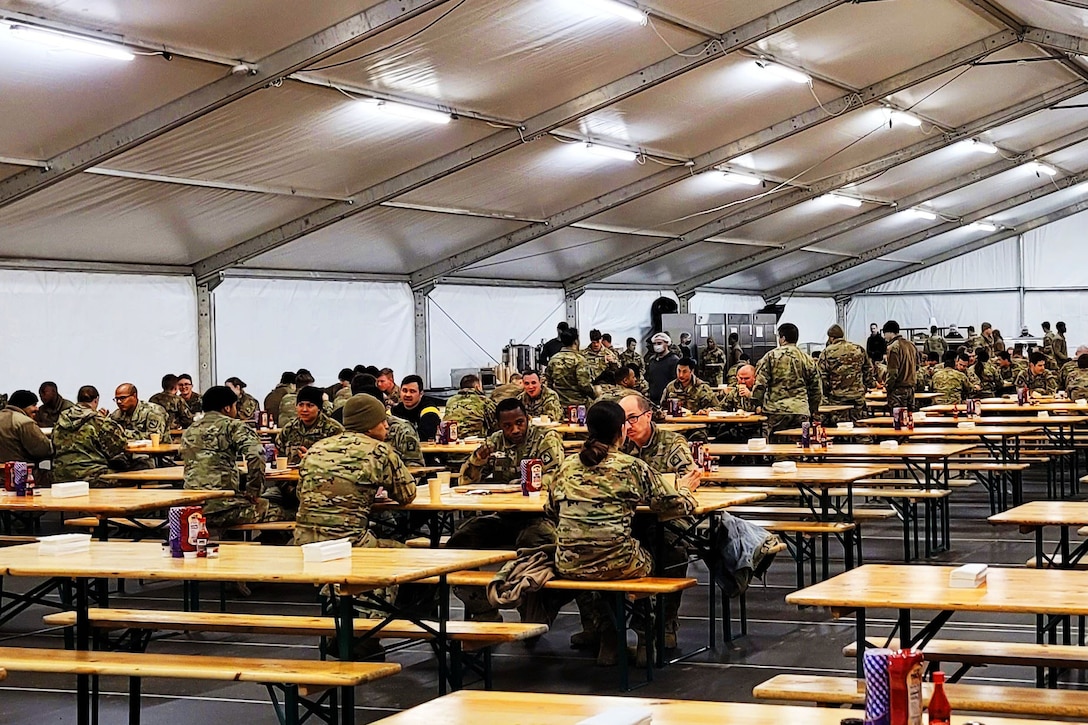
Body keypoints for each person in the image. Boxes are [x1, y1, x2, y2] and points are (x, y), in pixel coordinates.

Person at [548, 400, 697, 667]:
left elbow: (550, 510)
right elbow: (674, 506)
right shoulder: (630, 466)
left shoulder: (567, 465)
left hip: (569, 563)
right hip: (618, 561)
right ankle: (646, 635)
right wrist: (685, 488)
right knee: (652, 552)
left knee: (600, 555)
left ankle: (609, 635)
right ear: (622, 431)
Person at [294, 394, 417, 653]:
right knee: (402, 558)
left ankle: (338, 628)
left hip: (306, 542)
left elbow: (300, 494)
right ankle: (366, 635)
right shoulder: (380, 451)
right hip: (347, 544)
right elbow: (407, 495)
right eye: (382, 421)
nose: (386, 426)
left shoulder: (317, 448)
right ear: (370, 425)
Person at [448, 398, 566, 621]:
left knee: (535, 545)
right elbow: (465, 481)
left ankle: (534, 614)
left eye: (520, 423)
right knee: (460, 540)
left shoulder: (545, 439)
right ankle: (483, 608)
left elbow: (559, 477)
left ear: (528, 419)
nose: (515, 430)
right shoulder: (494, 442)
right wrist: (478, 461)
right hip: (504, 516)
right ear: (499, 426)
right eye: (507, 426)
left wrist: (529, 483)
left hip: (539, 516)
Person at [619, 394, 702, 650]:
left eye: (632, 418)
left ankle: (665, 624)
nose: (628, 426)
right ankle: (608, 631)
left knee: (669, 548)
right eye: (623, 421)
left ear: (648, 416)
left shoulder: (672, 443)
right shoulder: (620, 445)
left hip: (669, 518)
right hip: (631, 521)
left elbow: (687, 481)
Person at [181, 385, 272, 537]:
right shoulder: (232, 426)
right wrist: (253, 490)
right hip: (223, 509)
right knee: (280, 509)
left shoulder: (190, 430)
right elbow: (256, 455)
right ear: (227, 408)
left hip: (192, 508)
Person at [52, 385, 134, 487]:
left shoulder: (61, 419)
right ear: (96, 400)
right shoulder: (98, 420)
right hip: (92, 476)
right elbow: (118, 446)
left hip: (60, 476)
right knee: (134, 475)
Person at [751, 323, 822, 438]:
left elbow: (760, 383)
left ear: (783, 338)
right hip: (800, 410)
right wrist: (812, 409)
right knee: (800, 446)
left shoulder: (770, 356)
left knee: (777, 449)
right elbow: (816, 388)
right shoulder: (807, 359)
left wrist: (756, 403)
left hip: (776, 411)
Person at [818, 324, 874, 423]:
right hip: (857, 396)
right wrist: (865, 386)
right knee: (860, 428)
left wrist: (828, 393)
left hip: (838, 398)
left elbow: (822, 377)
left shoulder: (826, 352)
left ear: (831, 338)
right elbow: (868, 370)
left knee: (840, 428)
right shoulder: (858, 349)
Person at [275, 386, 345, 465]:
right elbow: (278, 453)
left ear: (319, 408)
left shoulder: (333, 429)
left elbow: (342, 458)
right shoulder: (289, 428)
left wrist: (314, 458)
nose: (304, 409)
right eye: (301, 405)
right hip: (290, 474)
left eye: (310, 405)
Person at [545, 326, 596, 407]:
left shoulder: (553, 359)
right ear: (576, 342)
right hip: (578, 404)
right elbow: (584, 384)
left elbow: (549, 383)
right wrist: (595, 395)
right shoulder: (580, 360)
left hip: (558, 403)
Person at [0, 390, 53, 464]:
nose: (37, 409)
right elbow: (43, 450)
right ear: (24, 405)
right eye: (34, 405)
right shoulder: (24, 422)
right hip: (21, 472)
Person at [443, 374, 497, 438]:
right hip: (475, 440)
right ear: (477, 387)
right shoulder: (484, 401)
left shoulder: (451, 400)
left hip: (452, 439)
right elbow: (496, 424)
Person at [391, 375, 443, 441]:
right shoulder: (393, 411)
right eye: (404, 390)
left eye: (412, 391)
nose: (407, 395)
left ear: (421, 394)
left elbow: (426, 437)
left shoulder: (429, 410)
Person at [883, 320, 917, 412]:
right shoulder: (911, 345)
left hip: (898, 390)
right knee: (910, 419)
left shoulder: (893, 347)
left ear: (889, 332)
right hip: (911, 389)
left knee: (898, 420)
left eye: (884, 334)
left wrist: (887, 386)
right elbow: (917, 366)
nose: (884, 337)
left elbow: (892, 372)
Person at [645, 332, 681, 403]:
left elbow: (676, 381)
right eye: (654, 344)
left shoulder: (674, 360)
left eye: (659, 343)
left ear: (667, 343)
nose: (656, 346)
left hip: (668, 399)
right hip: (653, 399)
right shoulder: (652, 360)